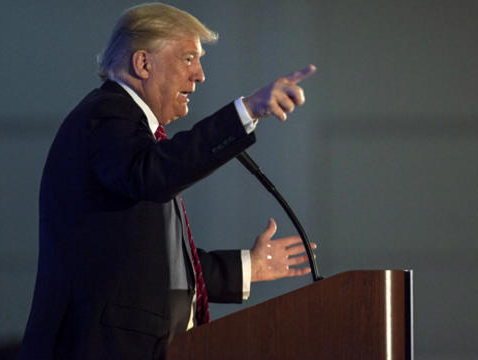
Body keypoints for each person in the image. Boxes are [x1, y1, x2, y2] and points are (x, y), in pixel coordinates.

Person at [19, 3, 316, 359]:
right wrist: (246, 111)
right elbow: (152, 174)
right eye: (189, 58)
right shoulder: (105, 114)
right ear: (143, 63)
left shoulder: (136, 136)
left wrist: (250, 266)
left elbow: (155, 268)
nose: (200, 74)